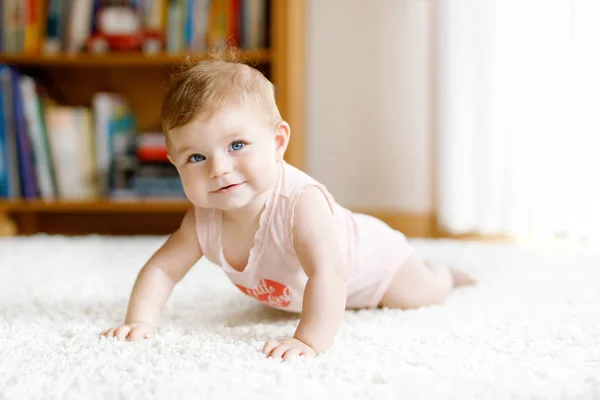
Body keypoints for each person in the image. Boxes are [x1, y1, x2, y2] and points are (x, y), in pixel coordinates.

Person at [101, 50, 476, 361]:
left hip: (375, 263)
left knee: (421, 295)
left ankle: (442, 272)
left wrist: (308, 341)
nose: (219, 169)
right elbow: (163, 270)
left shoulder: (300, 203)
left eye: (236, 145)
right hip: (301, 293)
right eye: (196, 157)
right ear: (174, 163)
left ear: (278, 141)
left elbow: (328, 274)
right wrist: (141, 320)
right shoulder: (202, 220)